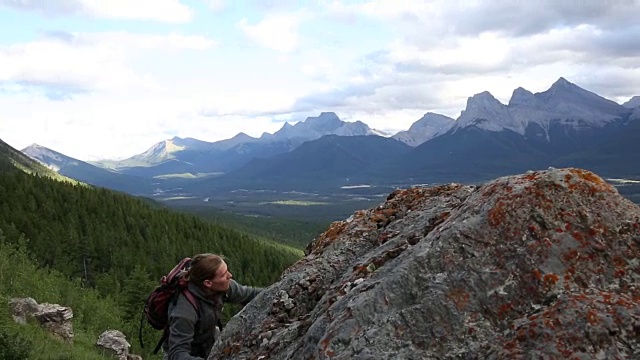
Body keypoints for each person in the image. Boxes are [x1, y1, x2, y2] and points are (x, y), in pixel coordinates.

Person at [163, 253, 263, 360]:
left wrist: (279, 289)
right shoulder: (184, 311)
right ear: (208, 283)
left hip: (207, 343)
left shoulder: (223, 287)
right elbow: (177, 354)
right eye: (224, 274)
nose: (230, 275)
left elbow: (250, 294)